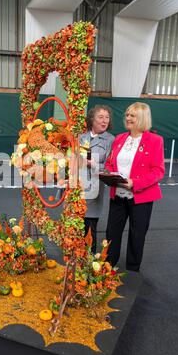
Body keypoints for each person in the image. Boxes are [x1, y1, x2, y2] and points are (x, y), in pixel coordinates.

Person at [105, 102, 165, 272]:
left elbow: (158, 171)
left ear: (143, 118)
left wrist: (135, 183)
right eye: (127, 114)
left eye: (133, 115)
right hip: (118, 195)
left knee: (137, 236)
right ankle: (108, 267)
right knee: (111, 233)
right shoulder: (119, 138)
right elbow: (110, 163)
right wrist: (109, 174)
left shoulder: (155, 140)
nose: (128, 118)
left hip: (141, 197)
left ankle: (132, 271)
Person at [80, 105, 114, 253]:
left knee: (89, 229)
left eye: (107, 117)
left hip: (94, 189)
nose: (104, 120)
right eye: (101, 117)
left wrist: (93, 164)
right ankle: (74, 260)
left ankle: (88, 263)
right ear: (92, 119)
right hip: (77, 187)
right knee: (74, 228)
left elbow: (109, 167)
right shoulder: (81, 137)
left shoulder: (110, 140)